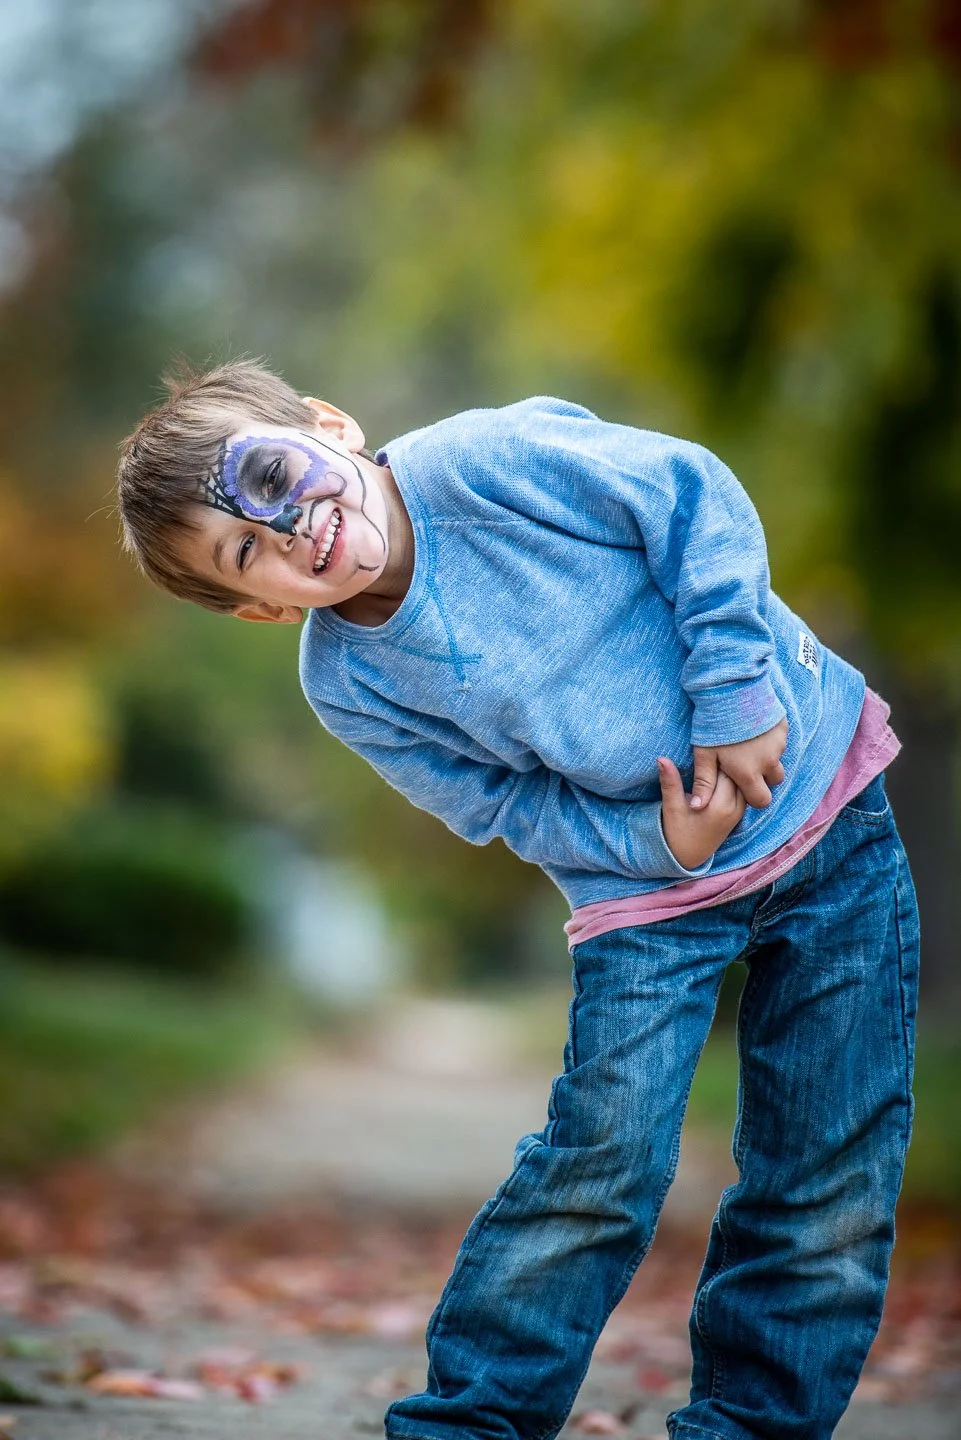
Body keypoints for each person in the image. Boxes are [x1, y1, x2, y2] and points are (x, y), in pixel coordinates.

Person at [117, 359, 919, 1440]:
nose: (290, 527)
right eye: (248, 551)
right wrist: (652, 841)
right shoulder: (347, 684)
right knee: (604, 1154)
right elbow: (500, 803)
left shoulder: (479, 463)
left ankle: (754, 1426)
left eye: (271, 477)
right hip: (648, 894)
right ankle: (475, 1423)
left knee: (826, 1167)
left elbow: (690, 496)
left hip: (824, 801)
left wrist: (735, 689)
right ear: (261, 608)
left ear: (327, 425)